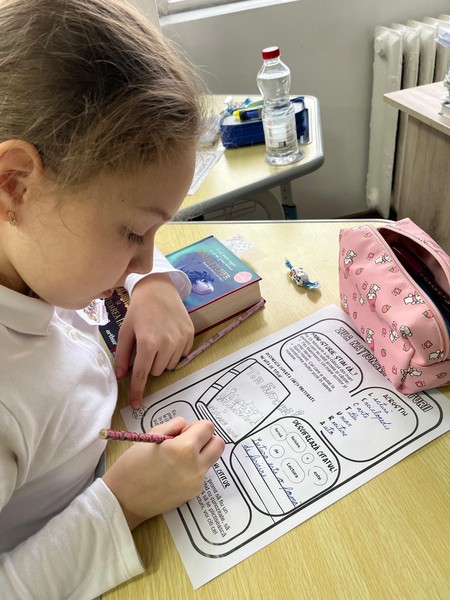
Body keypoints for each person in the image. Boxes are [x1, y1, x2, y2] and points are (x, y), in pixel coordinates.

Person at [0, 0, 225, 597]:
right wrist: (124, 502)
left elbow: (90, 233)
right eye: (133, 234)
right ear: (14, 184)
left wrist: (150, 283)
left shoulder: (33, 251)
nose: (146, 256)